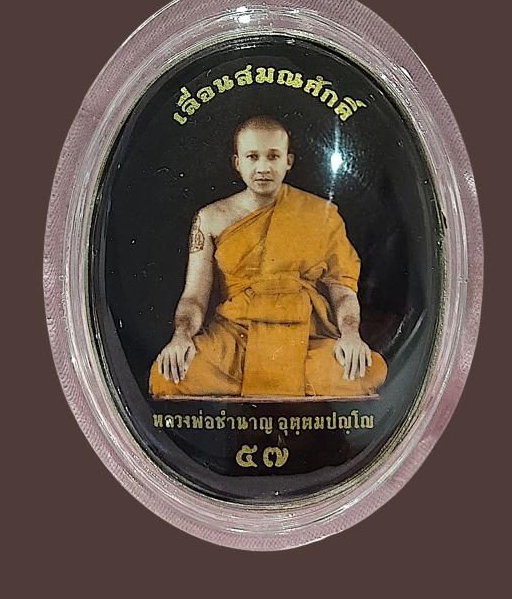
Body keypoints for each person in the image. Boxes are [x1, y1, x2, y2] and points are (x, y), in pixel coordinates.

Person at [149, 115, 387, 398]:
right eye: (252, 157)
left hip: (304, 336)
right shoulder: (211, 218)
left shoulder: (321, 214)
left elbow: (343, 291)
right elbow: (194, 297)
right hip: (235, 338)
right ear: (237, 162)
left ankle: (257, 391)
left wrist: (351, 336)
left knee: (368, 370)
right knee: (167, 375)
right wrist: (181, 337)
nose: (263, 168)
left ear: (288, 161)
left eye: (273, 156)